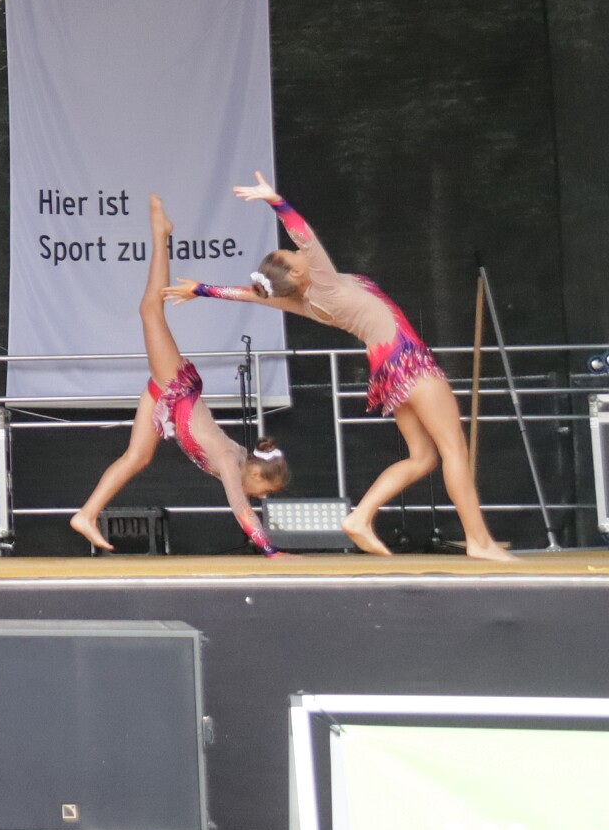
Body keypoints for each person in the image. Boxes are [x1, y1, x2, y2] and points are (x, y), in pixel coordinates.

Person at [167, 172, 513, 560]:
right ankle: (479, 541)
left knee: (423, 458)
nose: (298, 253)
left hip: (389, 373)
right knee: (454, 452)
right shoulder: (323, 284)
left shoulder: (301, 300)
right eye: (293, 256)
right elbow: (303, 236)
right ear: (297, 273)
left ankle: (360, 517)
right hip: (409, 363)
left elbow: (249, 295)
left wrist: (201, 289)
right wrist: (275, 201)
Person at [70, 195, 290, 556]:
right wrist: (270, 550)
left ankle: (86, 514)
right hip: (178, 389)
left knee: (137, 457)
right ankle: (161, 235)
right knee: (150, 310)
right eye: (265, 491)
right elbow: (241, 507)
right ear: (255, 474)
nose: (262, 497)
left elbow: (248, 489)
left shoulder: (238, 459)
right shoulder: (231, 462)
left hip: (170, 402)